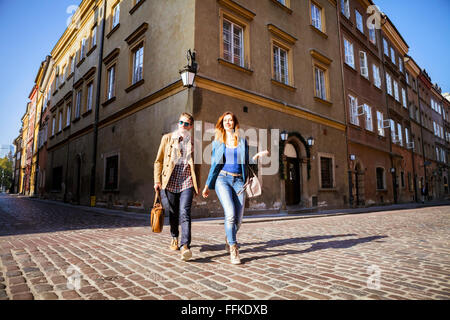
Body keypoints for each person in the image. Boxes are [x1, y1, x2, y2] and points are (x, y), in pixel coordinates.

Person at [202, 112, 267, 264]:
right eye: (225, 120)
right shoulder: (217, 142)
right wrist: (207, 185)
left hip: (239, 181)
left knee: (238, 220)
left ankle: (229, 235)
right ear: (222, 123)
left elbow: (247, 162)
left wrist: (257, 156)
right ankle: (233, 248)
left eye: (230, 120)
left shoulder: (242, 141)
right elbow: (214, 165)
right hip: (222, 179)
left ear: (234, 123)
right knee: (230, 213)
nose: (228, 122)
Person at [154, 112, 199, 261]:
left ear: (190, 126)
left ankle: (185, 246)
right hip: (170, 181)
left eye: (186, 124)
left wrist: (197, 184)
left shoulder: (192, 142)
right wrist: (157, 180)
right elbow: (158, 161)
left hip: (187, 182)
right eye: (181, 123)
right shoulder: (167, 139)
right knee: (173, 212)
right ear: (178, 123)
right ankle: (174, 236)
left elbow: (196, 166)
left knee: (185, 212)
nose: (183, 126)